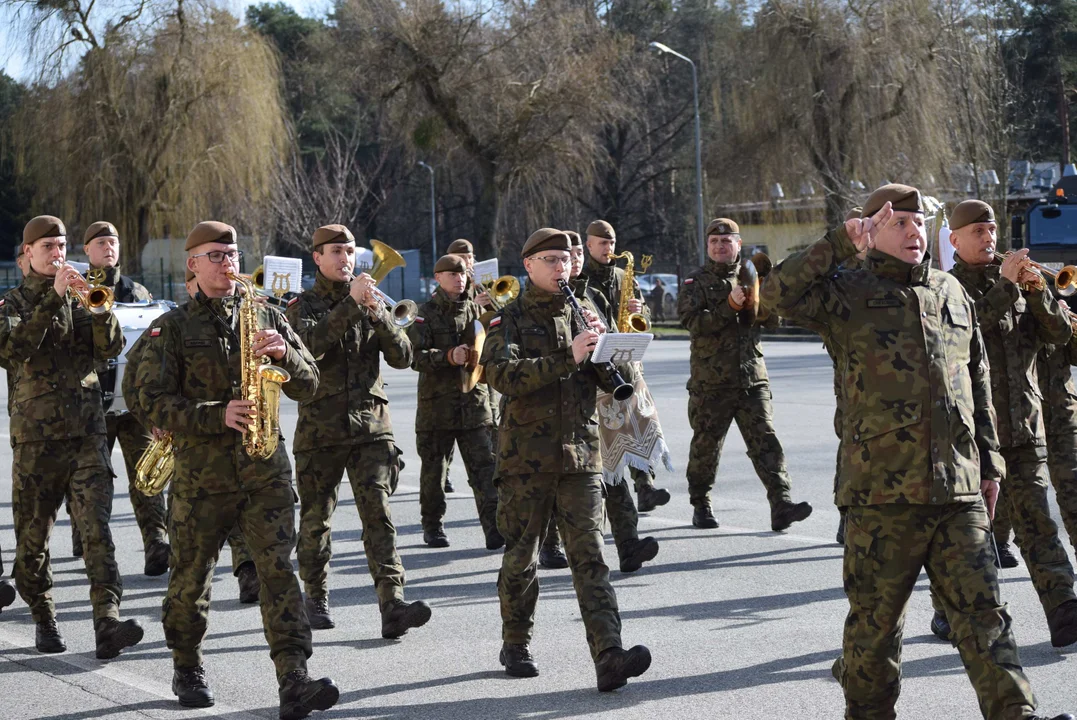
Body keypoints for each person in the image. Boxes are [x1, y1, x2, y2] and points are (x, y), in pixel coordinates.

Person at [762, 183, 1073, 720]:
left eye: (918, 223)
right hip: (881, 496)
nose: (913, 233)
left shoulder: (949, 291)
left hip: (959, 490)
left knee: (986, 616)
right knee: (875, 633)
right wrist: (840, 242)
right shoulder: (845, 290)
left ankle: (1016, 713)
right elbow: (771, 297)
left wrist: (991, 465)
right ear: (871, 230)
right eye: (898, 223)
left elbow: (976, 383)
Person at [135, 221, 338, 717]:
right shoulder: (173, 327)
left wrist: (284, 353)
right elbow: (148, 399)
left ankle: (294, 679)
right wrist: (213, 413)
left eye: (233, 254)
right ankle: (187, 665)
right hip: (202, 478)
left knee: (278, 575)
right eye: (217, 255)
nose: (229, 263)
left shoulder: (265, 311)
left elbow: (311, 383)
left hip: (265, 470)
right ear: (193, 265)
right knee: (191, 577)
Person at [481, 227, 651, 691]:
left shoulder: (586, 309)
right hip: (526, 460)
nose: (562, 267)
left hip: (580, 455)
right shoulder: (507, 318)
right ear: (529, 265)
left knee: (591, 558)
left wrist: (612, 354)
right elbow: (501, 375)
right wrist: (568, 355)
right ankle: (515, 641)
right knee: (522, 557)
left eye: (565, 259)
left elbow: (607, 380)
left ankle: (608, 655)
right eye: (551, 260)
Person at [1, 215, 143, 659]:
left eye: (62, 246)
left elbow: (109, 350)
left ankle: (108, 623)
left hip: (87, 433)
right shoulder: (10, 305)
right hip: (36, 442)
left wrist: (101, 310)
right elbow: (13, 351)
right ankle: (44, 616)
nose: (58, 254)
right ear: (26, 255)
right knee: (33, 538)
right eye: (47, 247)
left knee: (97, 532)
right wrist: (53, 298)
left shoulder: (82, 297)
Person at [285, 224, 431, 638]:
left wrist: (379, 316)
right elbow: (308, 347)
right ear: (317, 257)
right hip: (321, 429)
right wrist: (349, 306)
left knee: (379, 518)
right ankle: (315, 597)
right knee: (316, 520)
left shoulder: (371, 302)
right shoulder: (302, 305)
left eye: (350, 251)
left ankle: (392, 603)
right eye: (335, 251)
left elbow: (403, 357)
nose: (345, 258)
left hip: (371, 427)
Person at [946, 199, 1077, 647]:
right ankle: (948, 610)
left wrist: (1038, 291)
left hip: (1023, 429)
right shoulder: (945, 288)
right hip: (970, 438)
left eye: (992, 230)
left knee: (1039, 525)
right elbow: (960, 337)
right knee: (963, 538)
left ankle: (1063, 610)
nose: (989, 238)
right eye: (978, 231)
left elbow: (1060, 336)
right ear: (955, 240)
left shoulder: (1022, 284)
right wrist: (1004, 287)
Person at [677, 217, 812, 531]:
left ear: (738, 244)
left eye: (727, 241)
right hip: (711, 383)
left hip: (752, 377)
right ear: (707, 246)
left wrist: (763, 295)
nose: (721, 246)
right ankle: (701, 504)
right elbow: (694, 323)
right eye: (715, 242)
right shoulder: (694, 282)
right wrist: (729, 305)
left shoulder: (751, 275)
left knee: (766, 443)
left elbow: (772, 322)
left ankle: (781, 504)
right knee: (706, 447)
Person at [66, 221, 169, 577]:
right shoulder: (75, 289)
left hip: (132, 402)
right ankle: (82, 529)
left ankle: (157, 542)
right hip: (91, 403)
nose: (109, 247)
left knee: (146, 474)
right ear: (87, 251)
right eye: (101, 242)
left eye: (113, 242)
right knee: (91, 479)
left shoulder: (136, 290)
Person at [408, 253, 502, 549]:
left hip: (474, 405)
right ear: (438, 278)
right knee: (434, 473)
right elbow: (413, 357)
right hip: (437, 408)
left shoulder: (477, 310)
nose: (459, 279)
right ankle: (433, 527)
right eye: (452, 274)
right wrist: (447, 356)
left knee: (485, 471)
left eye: (462, 274)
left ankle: (494, 528)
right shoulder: (424, 314)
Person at [578, 220, 670, 512]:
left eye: (612, 243)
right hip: (598, 369)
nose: (609, 249)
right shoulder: (579, 279)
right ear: (588, 244)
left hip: (628, 364)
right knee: (611, 433)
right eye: (603, 243)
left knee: (639, 425)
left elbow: (645, 321)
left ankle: (645, 486)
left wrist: (639, 311)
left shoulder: (622, 275)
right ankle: (607, 491)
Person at [1035, 327, 1077, 549]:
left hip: (1063, 415)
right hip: (1024, 417)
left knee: (1073, 487)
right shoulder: (1013, 309)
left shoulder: (1055, 314)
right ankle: (1000, 541)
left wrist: (1067, 323)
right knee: (1015, 496)